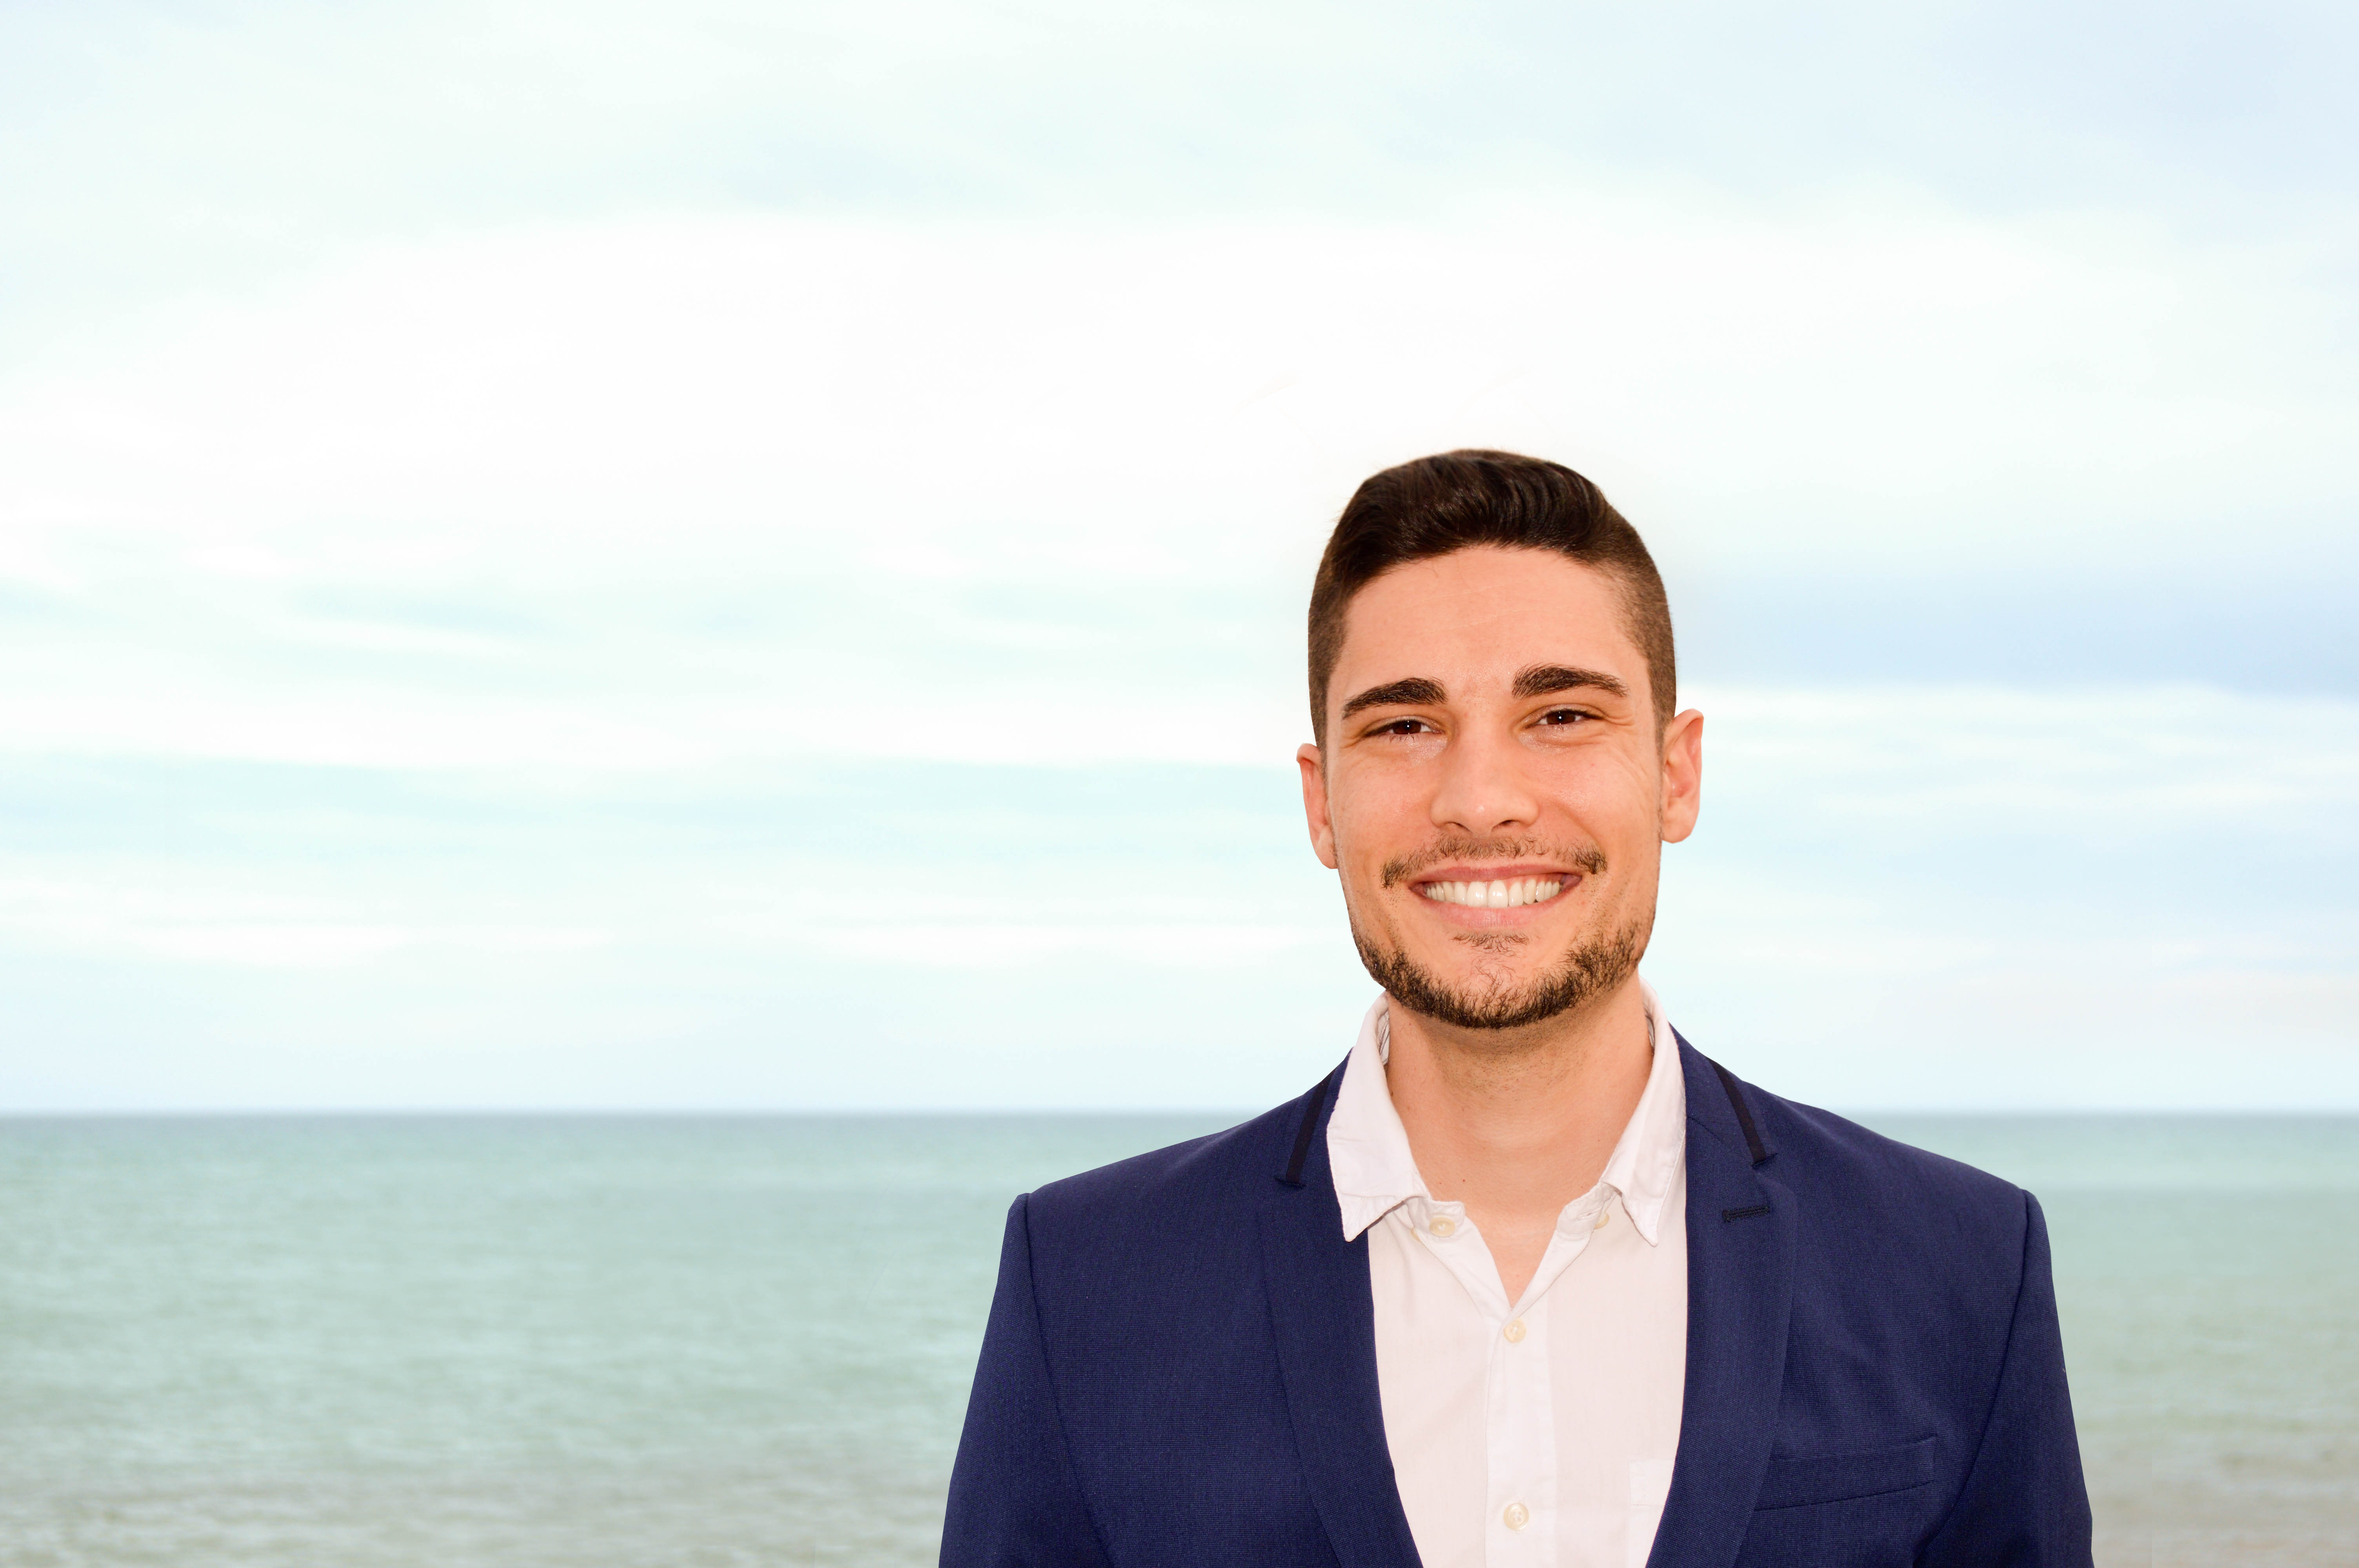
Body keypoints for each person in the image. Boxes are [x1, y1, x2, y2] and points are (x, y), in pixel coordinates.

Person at [940, 450, 2092, 1567]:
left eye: (1563, 716)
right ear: (1322, 804)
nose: (1483, 800)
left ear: (1676, 774)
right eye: (1404, 725)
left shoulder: (1960, 1272)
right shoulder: (1084, 1287)